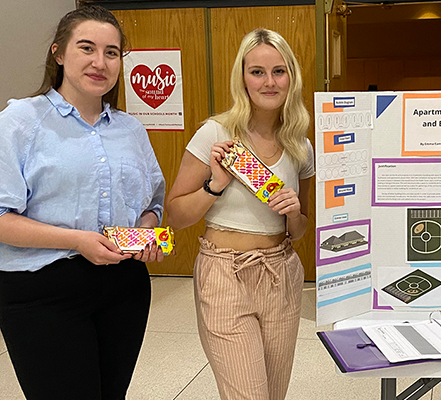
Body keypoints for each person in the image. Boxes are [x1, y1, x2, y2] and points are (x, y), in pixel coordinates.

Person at [0, 5, 165, 400]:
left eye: (112, 52)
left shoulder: (130, 129)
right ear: (59, 53)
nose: (99, 62)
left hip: (124, 287)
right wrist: (77, 240)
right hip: (43, 290)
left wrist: (147, 231)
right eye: (86, 48)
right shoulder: (20, 122)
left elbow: (153, 200)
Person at [165, 28, 314, 400]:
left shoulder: (301, 145)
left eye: (279, 71)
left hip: (281, 273)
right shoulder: (217, 134)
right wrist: (214, 185)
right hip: (224, 274)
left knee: (274, 394)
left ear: (291, 77)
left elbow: (300, 230)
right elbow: (176, 214)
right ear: (242, 77)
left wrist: (294, 212)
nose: (269, 82)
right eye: (257, 72)